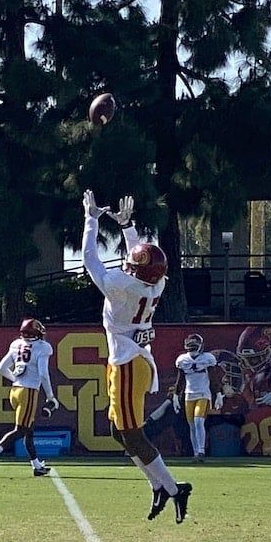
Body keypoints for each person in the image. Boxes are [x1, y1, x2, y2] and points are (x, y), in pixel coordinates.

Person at [81, 190, 192, 522]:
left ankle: (174, 488)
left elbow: (90, 260)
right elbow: (140, 260)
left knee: (131, 433)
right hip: (127, 359)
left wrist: (90, 219)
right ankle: (157, 485)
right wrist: (128, 227)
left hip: (130, 363)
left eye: (131, 265)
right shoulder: (154, 284)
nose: (127, 265)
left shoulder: (122, 285)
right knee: (118, 431)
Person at [0, 318, 59, 477]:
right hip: (28, 392)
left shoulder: (16, 344)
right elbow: (43, 374)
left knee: (28, 430)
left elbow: (1, 369)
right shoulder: (43, 347)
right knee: (22, 429)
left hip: (15, 391)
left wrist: (16, 380)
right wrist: (51, 396)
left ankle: (37, 466)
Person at [174, 333, 220, 460]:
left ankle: (201, 451)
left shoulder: (207, 358)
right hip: (189, 395)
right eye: (191, 347)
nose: (193, 349)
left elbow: (214, 378)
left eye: (195, 346)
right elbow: (180, 379)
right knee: (192, 425)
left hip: (203, 394)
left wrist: (218, 394)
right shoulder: (182, 360)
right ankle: (196, 452)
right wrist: (175, 396)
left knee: (198, 421)